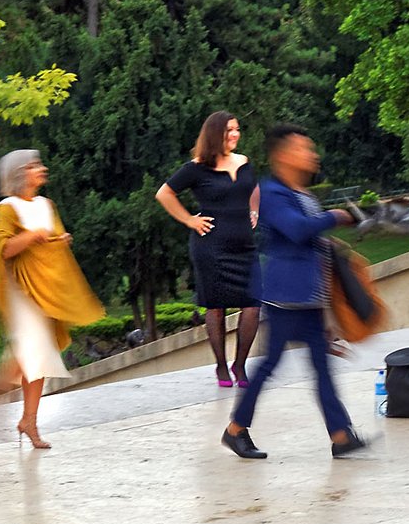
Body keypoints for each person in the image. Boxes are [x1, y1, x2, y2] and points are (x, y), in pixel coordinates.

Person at [218, 125, 364, 460]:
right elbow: (297, 230)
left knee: (320, 369)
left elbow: (310, 239)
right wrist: (335, 217)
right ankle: (235, 429)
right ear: (283, 155)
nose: (312, 155)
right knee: (270, 365)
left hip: (310, 297)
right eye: (304, 148)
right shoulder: (271, 192)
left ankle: (341, 436)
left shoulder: (304, 195)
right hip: (285, 297)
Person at [0, 150, 104, 449]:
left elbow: (54, 241)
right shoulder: (8, 208)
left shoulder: (46, 205)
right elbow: (4, 248)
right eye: (34, 166)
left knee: (38, 358)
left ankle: (26, 419)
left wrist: (58, 240)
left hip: (47, 291)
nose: (42, 169)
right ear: (18, 174)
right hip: (21, 292)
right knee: (34, 355)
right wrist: (32, 236)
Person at [155, 111, 260, 389]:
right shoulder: (196, 167)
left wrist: (254, 210)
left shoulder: (244, 161)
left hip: (244, 245)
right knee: (216, 307)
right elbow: (164, 193)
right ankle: (221, 366)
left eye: (237, 129)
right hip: (211, 245)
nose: (235, 134)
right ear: (215, 134)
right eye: (229, 131)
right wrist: (189, 219)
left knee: (252, 305)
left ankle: (240, 364)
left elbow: (253, 187)